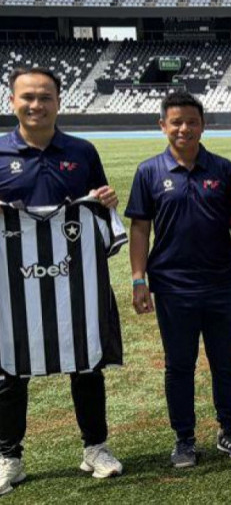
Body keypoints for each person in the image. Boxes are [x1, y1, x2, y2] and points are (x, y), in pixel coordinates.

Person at [0, 67, 123, 495]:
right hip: (14, 283)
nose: (37, 105)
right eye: (28, 97)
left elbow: (100, 205)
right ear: (12, 100)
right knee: (8, 371)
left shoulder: (82, 151)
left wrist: (106, 199)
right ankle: (9, 456)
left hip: (74, 280)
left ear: (59, 101)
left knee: (86, 364)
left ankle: (95, 447)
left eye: (46, 97)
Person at [126, 92, 231, 469]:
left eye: (191, 122)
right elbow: (140, 228)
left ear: (203, 124)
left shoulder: (224, 169)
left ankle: (229, 429)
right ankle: (184, 439)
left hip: (222, 284)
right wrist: (138, 279)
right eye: (176, 122)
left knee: (226, 362)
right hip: (172, 286)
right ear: (162, 125)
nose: (184, 128)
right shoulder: (149, 171)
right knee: (179, 365)